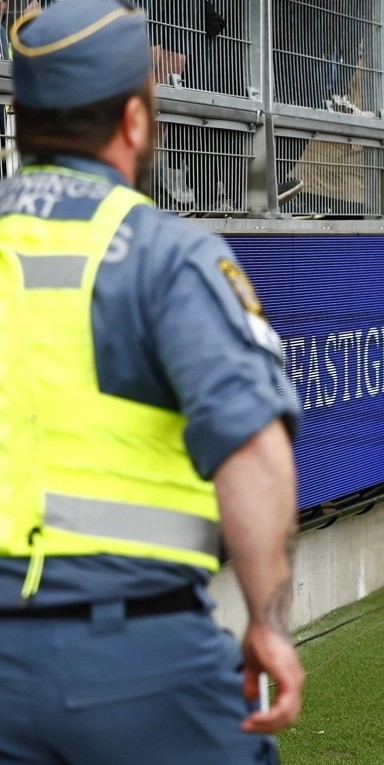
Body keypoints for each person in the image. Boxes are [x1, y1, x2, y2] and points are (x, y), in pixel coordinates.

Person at [0, 2, 304, 763]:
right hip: (137, 656)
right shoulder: (168, 256)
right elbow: (255, 454)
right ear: (135, 120)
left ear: (22, 120)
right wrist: (268, 622)